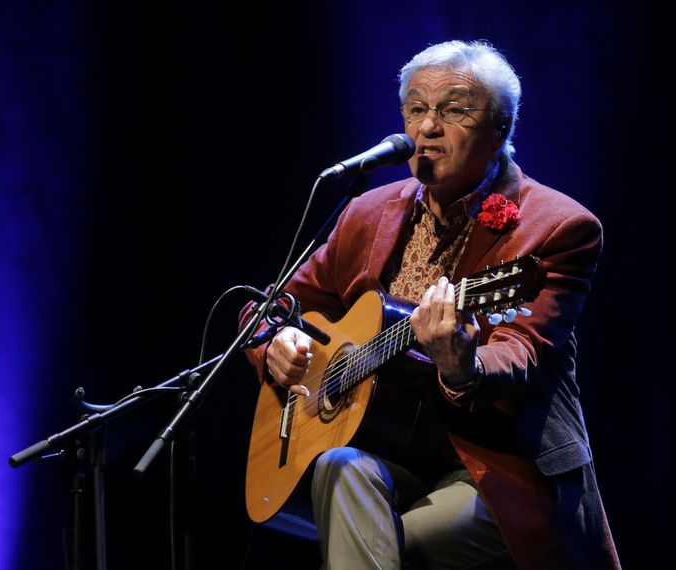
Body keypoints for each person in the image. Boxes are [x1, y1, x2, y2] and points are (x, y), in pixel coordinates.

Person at [240, 40, 620, 569]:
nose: (428, 127)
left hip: (498, 466)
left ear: (501, 127)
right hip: (390, 449)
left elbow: (524, 350)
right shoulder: (367, 212)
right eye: (416, 108)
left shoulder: (559, 226)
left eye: (454, 110)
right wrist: (277, 342)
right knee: (338, 465)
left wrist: (464, 366)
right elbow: (275, 307)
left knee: (382, 547)